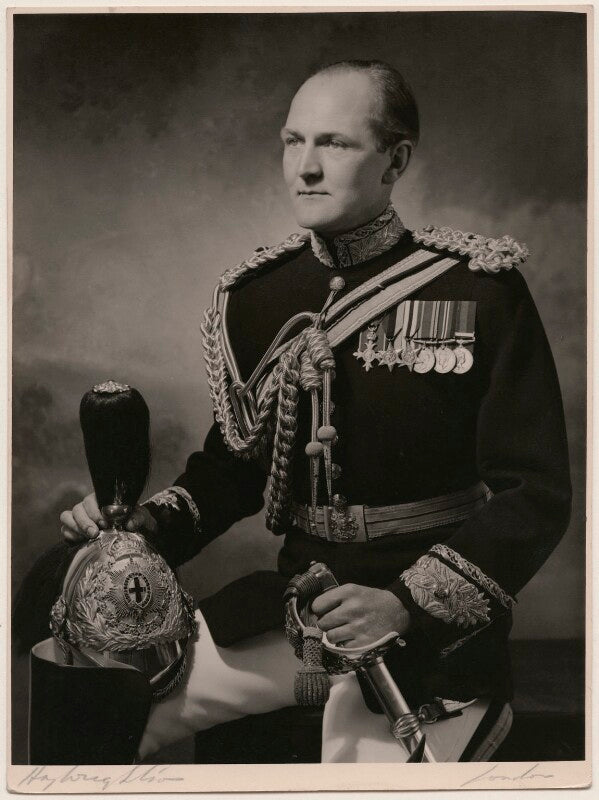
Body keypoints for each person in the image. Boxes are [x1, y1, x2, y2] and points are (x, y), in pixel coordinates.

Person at [59, 60, 571, 762]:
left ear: (395, 161)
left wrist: (404, 604)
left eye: (333, 143)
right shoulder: (257, 295)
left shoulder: (478, 289)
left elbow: (534, 494)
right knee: (96, 713)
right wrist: (144, 527)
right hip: (291, 613)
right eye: (292, 141)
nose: (304, 167)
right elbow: (236, 467)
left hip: (421, 636)